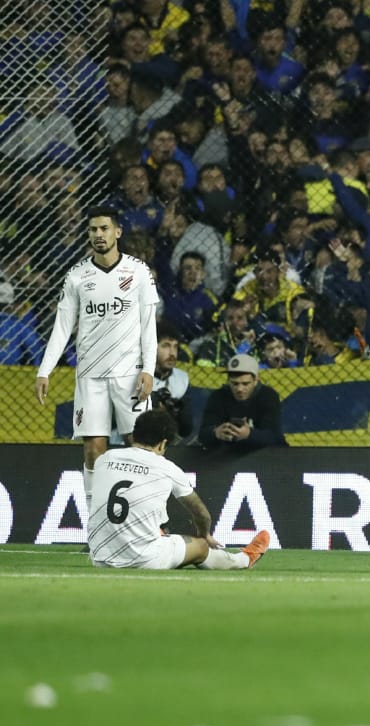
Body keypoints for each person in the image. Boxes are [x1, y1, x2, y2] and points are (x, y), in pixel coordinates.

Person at [35, 205, 158, 512]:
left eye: (104, 228)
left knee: (142, 445)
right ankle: (96, 526)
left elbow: (148, 326)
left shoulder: (138, 271)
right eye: (93, 229)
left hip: (130, 372)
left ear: (118, 232)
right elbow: (62, 327)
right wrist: (44, 371)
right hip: (90, 374)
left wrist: (149, 370)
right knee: (93, 449)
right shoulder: (77, 276)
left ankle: (153, 516)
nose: (99, 235)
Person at [88, 409, 270, 571]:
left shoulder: (105, 459)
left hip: (100, 558)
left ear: (134, 436)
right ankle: (243, 559)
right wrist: (204, 534)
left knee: (153, 519)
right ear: (162, 443)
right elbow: (200, 512)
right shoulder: (167, 468)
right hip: (145, 560)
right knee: (200, 547)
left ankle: (158, 535)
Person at [197, 355, 287, 452]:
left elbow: (274, 437)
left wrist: (249, 435)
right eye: (235, 383)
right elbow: (202, 435)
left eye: (245, 384)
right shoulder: (218, 396)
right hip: (227, 456)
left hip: (264, 456)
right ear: (228, 381)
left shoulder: (268, 396)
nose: (239, 389)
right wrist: (216, 433)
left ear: (255, 380)